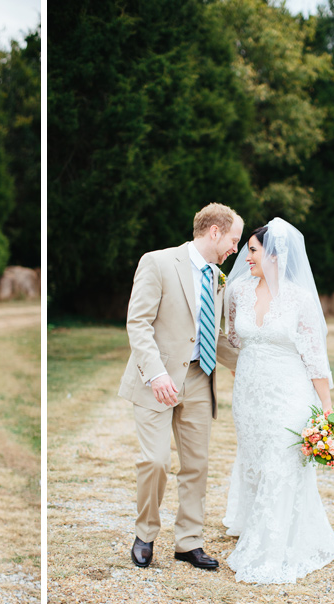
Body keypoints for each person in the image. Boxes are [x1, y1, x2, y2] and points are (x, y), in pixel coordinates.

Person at [119, 203, 242, 570]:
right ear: (215, 232)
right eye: (233, 240)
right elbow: (137, 323)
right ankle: (145, 534)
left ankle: (189, 542)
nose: (235, 249)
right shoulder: (157, 263)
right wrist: (156, 374)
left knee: (197, 465)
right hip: (156, 378)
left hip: (200, 378)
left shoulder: (218, 277)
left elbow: (211, 335)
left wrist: (254, 364)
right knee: (155, 461)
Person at [222, 217, 334, 583]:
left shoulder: (300, 300)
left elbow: (314, 358)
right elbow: (232, 338)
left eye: (253, 251)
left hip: (288, 392)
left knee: (280, 461)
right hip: (248, 394)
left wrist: (327, 407)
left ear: (274, 255)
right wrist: (244, 373)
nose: (246, 257)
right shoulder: (238, 292)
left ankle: (270, 547)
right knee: (256, 459)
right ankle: (256, 523)